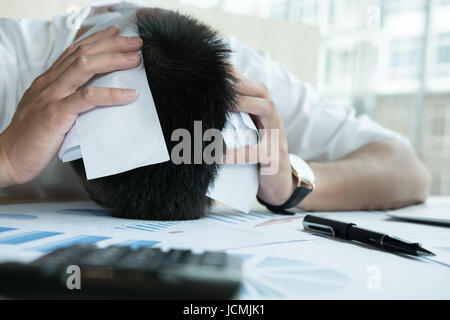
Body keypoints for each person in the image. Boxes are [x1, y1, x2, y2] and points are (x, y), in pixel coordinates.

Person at [0, 3, 431, 220]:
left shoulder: (237, 82)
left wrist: (292, 183)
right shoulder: (10, 59)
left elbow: (407, 169)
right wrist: (6, 158)